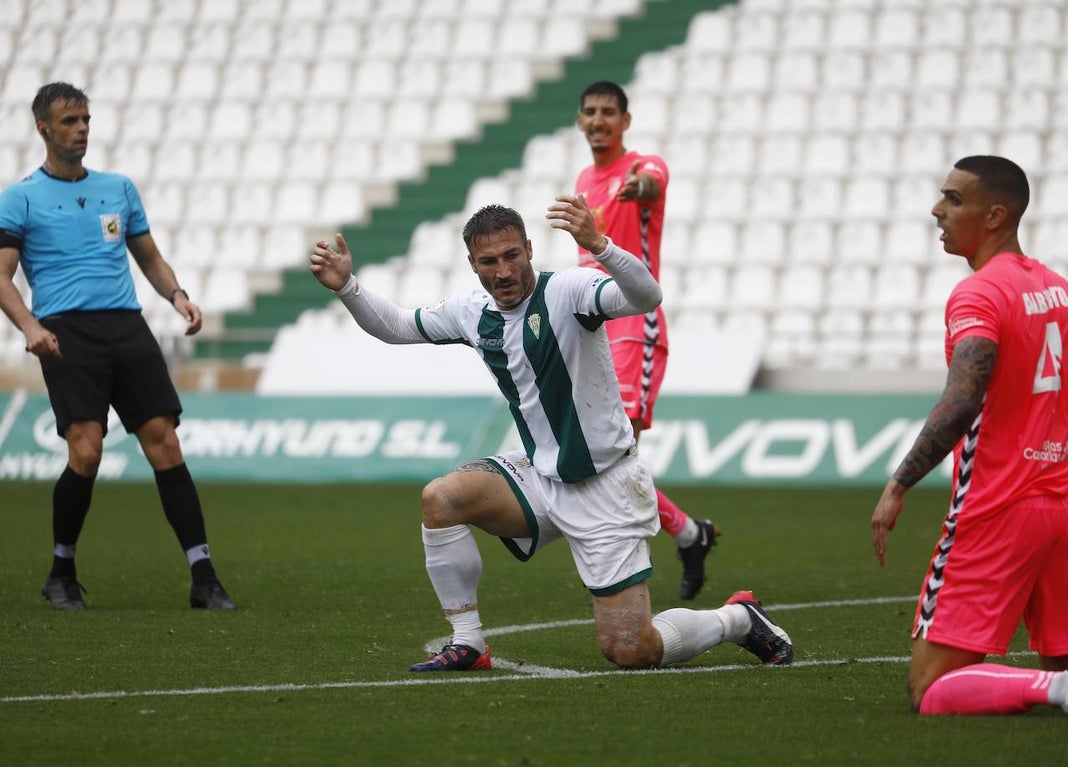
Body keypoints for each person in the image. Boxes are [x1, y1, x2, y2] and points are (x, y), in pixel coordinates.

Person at [309, 199, 792, 672]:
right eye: (489, 262)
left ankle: (737, 619)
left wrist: (600, 246)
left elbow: (647, 298)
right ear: (472, 264)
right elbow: (396, 327)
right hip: (539, 477)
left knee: (631, 650)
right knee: (441, 499)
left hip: (606, 486)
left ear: (530, 249)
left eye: (512, 256)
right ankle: (468, 642)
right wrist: (347, 286)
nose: (503, 272)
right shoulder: (470, 310)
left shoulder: (570, 291)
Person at [870, 155, 1068, 718]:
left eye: (953, 199)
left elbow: (962, 400)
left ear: (995, 215)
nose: (937, 210)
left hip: (996, 509)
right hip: (1064, 511)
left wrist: (898, 484)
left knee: (931, 690)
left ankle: (1063, 692)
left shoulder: (979, 294)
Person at [0, 82, 234, 611]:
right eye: (69, 121)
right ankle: (61, 571)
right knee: (86, 451)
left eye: (85, 119)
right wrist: (30, 328)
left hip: (127, 327)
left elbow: (148, 256)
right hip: (66, 331)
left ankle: (204, 577)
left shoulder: (118, 188)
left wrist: (177, 296)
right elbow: (2, 276)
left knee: (166, 443)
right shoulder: (21, 197)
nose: (81, 129)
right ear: (43, 129)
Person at [574, 80, 718, 600]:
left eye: (608, 112)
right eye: (590, 112)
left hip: (635, 326)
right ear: (580, 120)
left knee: (618, 451)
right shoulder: (584, 178)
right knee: (606, 456)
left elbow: (652, 184)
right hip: (593, 327)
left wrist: (641, 188)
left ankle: (633, 559)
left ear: (625, 121)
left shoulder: (643, 165)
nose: (598, 120)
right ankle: (689, 534)